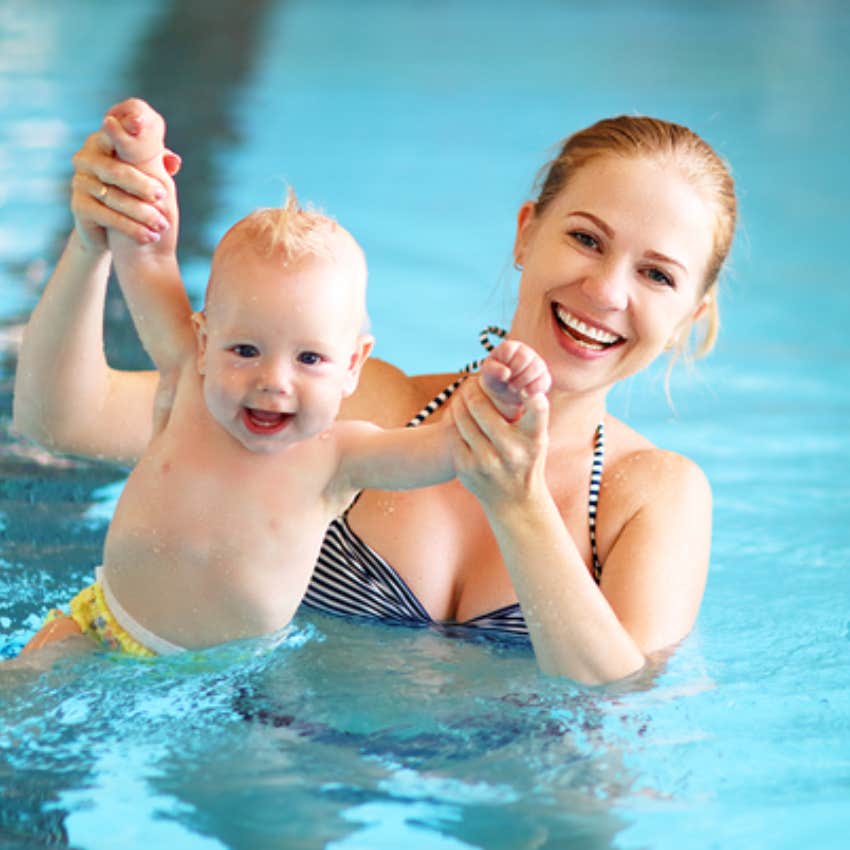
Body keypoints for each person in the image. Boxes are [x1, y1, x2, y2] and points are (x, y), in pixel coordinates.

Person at [13, 99, 737, 683]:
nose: (606, 290)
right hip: (259, 782)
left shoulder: (654, 495)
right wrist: (90, 242)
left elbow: (620, 713)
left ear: (688, 320)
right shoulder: (341, 403)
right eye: (586, 239)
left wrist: (516, 503)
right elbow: (64, 422)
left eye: (657, 275)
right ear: (526, 234)